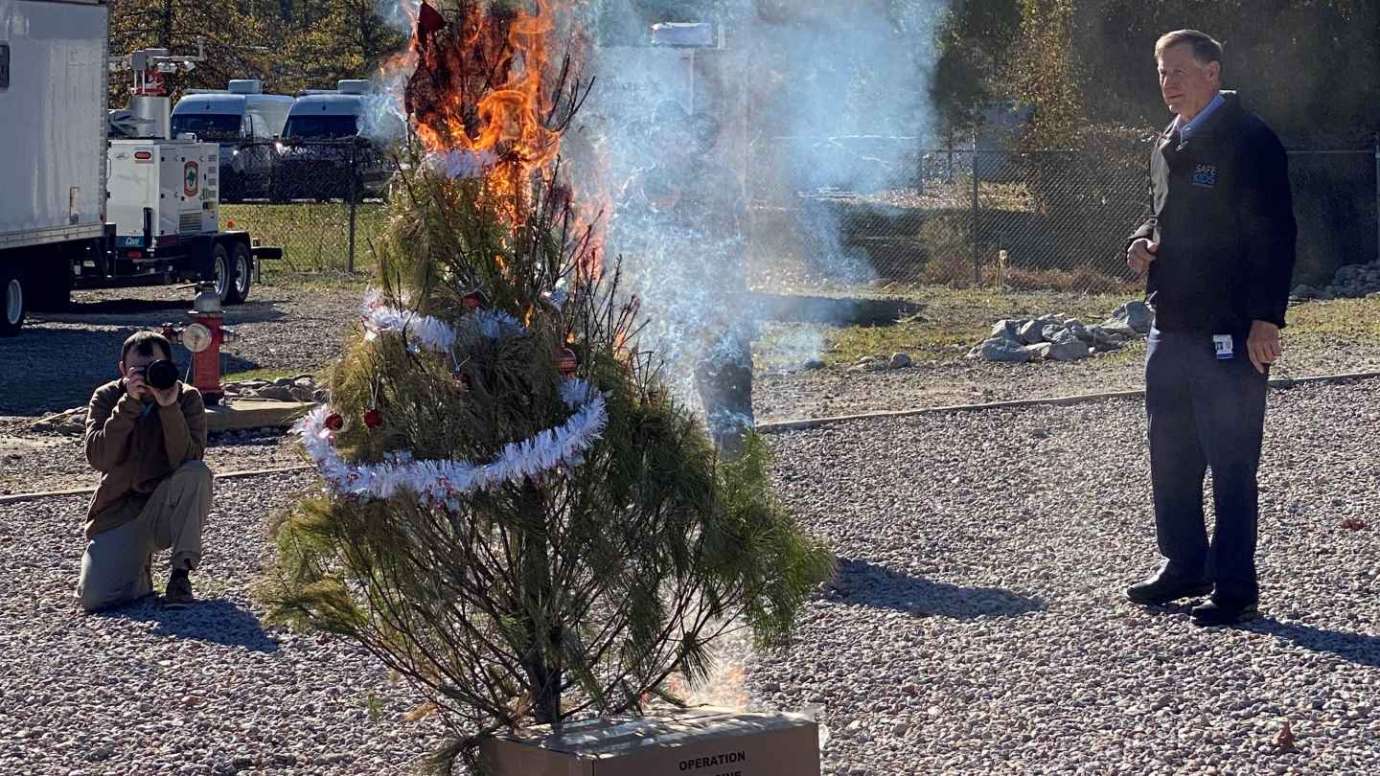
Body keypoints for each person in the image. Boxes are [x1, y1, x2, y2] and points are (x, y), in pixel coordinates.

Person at [1124, 30, 1296, 626]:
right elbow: (1158, 216)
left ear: (1212, 72)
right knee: (1170, 457)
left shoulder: (1250, 141)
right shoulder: (1166, 141)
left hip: (1228, 333)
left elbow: (1275, 236)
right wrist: (1141, 242)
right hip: (1169, 329)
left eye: (1178, 70)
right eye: (1160, 71)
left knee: (1230, 462)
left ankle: (1235, 586)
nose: (1167, 82)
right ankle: (1184, 565)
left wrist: (1266, 317)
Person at [78, 331, 211, 611]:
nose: (146, 376)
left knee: (197, 473)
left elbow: (186, 460)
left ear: (169, 367)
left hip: (166, 507)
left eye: (154, 368)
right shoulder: (107, 397)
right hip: (120, 511)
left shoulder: (187, 399)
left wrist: (168, 407)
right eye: (137, 370)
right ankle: (139, 575)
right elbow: (99, 458)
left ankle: (180, 576)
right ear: (123, 369)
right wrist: (129, 404)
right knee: (95, 599)